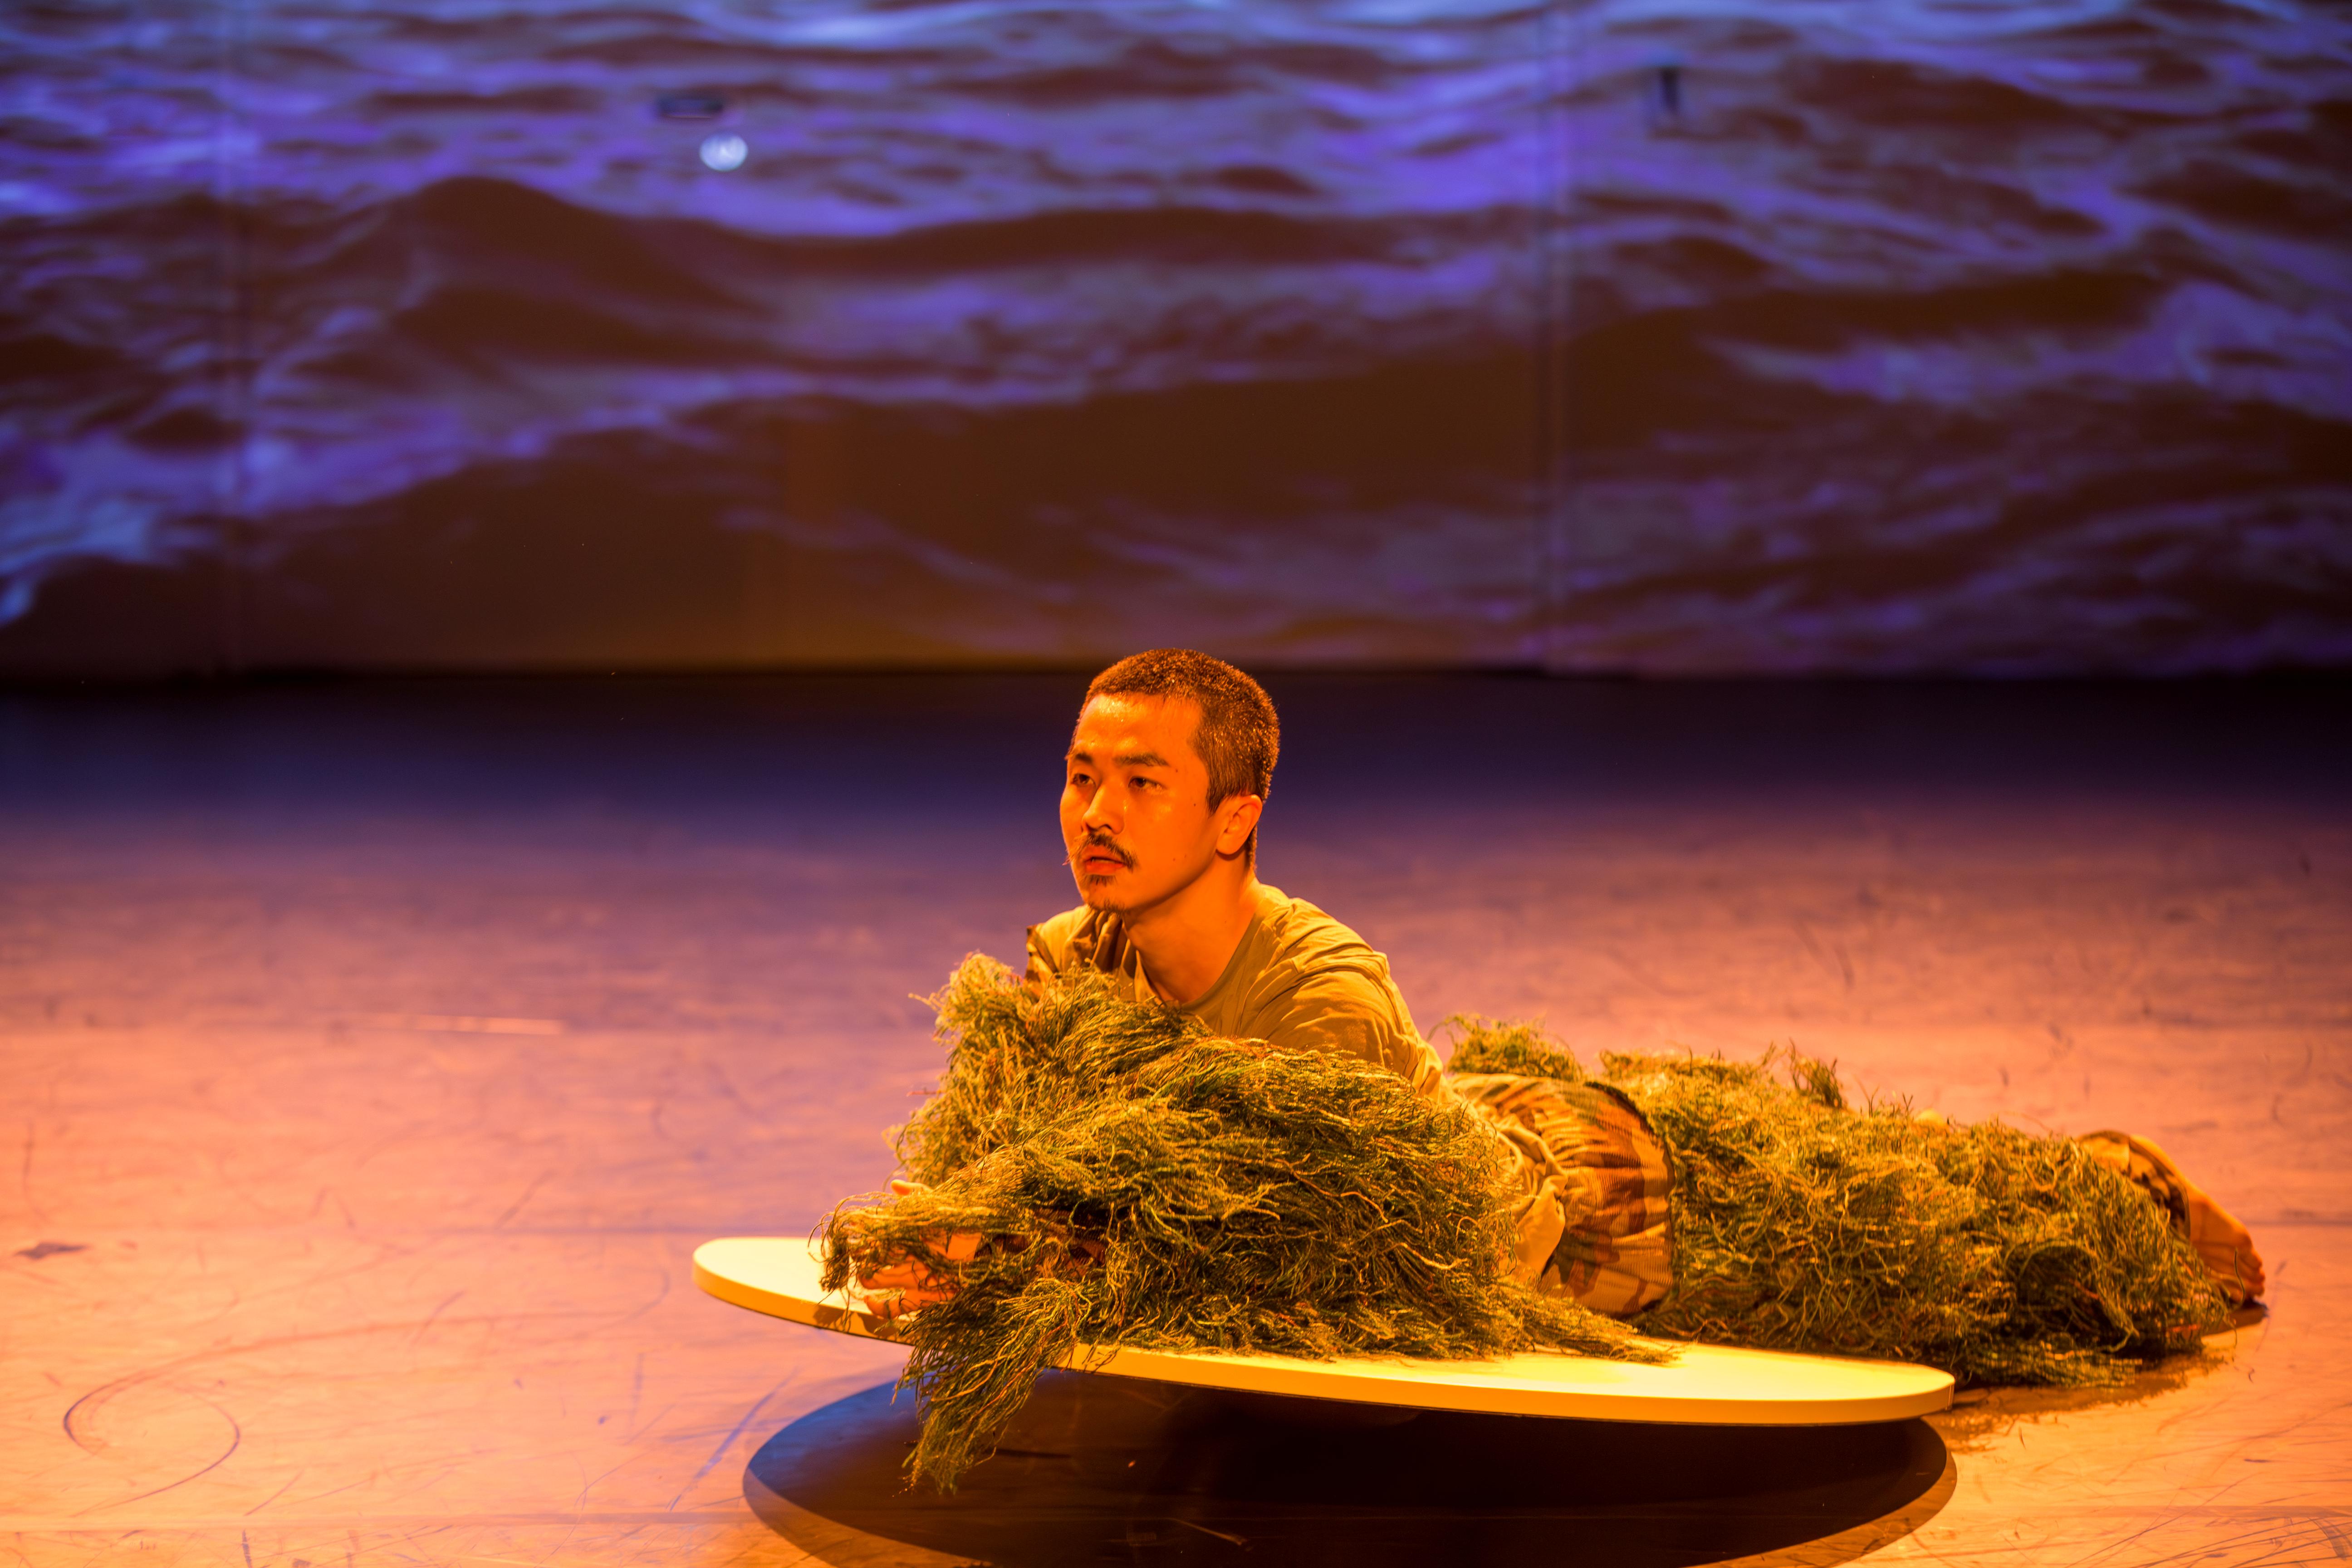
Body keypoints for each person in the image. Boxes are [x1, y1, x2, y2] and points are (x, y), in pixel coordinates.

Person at [856, 649, 2264, 1320]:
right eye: (1079, 776)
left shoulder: (1318, 1003)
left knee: (1924, 1239)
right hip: (1481, 1126)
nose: (1094, 813)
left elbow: (1276, 1258)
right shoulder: (1071, 956)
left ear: (1235, 818)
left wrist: (1005, 1259)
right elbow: (1053, 1157)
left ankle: (2115, 1181)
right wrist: (960, 1225)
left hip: (1586, 1231)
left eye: (1140, 782)